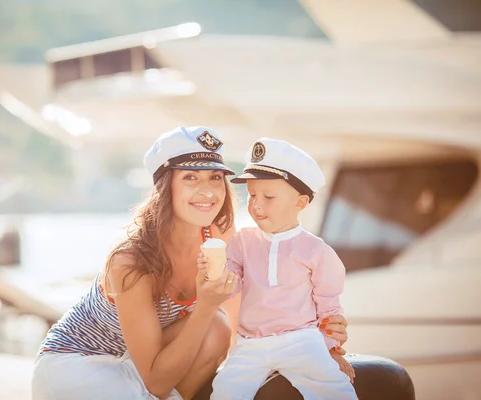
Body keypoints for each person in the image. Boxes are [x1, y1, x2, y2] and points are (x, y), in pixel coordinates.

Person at [32, 127, 349, 400]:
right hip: (79, 365)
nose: (208, 191)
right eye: (190, 178)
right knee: (209, 323)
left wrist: (321, 341)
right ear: (165, 187)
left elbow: (246, 316)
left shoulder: (219, 235)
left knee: (218, 330)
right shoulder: (130, 261)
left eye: (215, 177)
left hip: (144, 363)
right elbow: (156, 382)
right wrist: (207, 305)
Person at [207, 138, 357, 400]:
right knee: (224, 391)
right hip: (250, 343)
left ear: (300, 203)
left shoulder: (316, 251)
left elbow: (328, 306)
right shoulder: (242, 242)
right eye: (252, 195)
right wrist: (215, 270)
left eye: (269, 196)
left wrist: (331, 350)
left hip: (301, 340)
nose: (257, 204)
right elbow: (231, 288)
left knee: (334, 390)